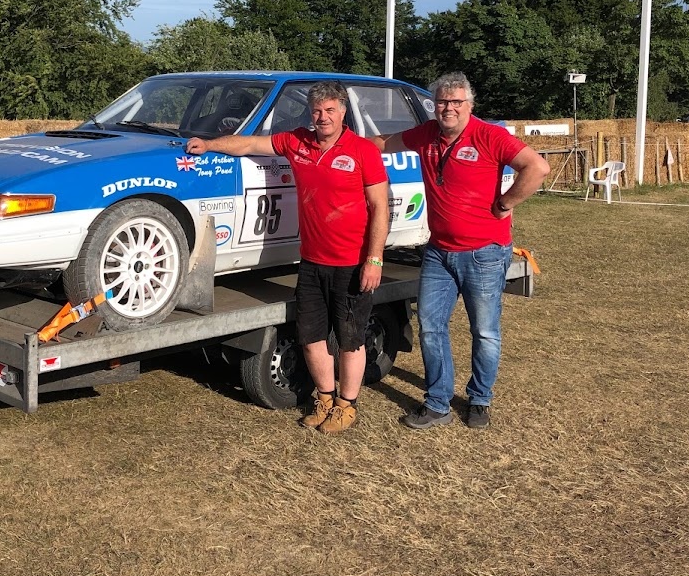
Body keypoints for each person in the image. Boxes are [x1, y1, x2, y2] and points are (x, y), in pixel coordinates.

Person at [186, 81, 389, 434]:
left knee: (350, 339)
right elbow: (249, 144)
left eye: (330, 110)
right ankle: (324, 399)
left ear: (343, 112)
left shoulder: (362, 151)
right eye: (317, 111)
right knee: (310, 337)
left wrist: (374, 260)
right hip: (311, 261)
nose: (323, 117)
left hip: (352, 262)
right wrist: (208, 145)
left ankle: (347, 406)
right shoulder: (297, 141)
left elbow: (380, 207)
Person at [371, 72, 549, 430]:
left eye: (456, 102)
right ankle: (438, 403)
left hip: (485, 253)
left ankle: (479, 399)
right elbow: (383, 143)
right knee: (431, 327)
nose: (448, 108)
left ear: (469, 104)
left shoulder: (489, 135)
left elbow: (538, 167)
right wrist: (340, 142)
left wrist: (506, 202)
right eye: (441, 102)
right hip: (439, 251)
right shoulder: (426, 134)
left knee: (484, 331)